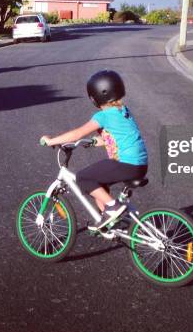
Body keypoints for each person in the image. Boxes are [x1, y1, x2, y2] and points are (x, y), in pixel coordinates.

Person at [40, 69, 148, 230]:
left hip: (126, 164)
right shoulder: (123, 111)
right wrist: (94, 141)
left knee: (83, 177)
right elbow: (117, 138)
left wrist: (51, 141)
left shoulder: (103, 116)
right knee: (99, 182)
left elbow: (77, 133)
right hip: (140, 165)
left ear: (95, 97)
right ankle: (111, 221)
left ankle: (113, 206)